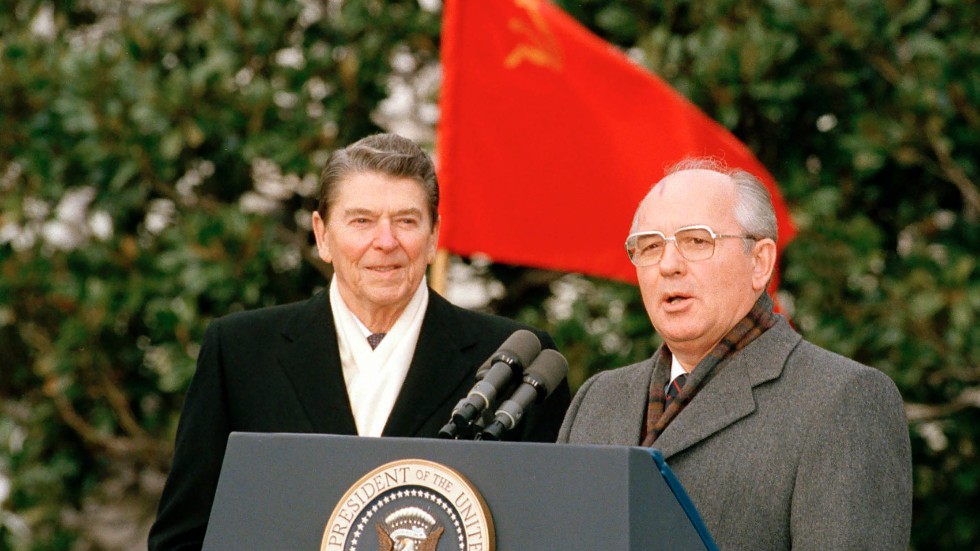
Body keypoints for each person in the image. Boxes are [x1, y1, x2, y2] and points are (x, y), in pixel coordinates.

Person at [149, 133, 571, 550]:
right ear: (322, 235)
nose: (385, 242)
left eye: (406, 221)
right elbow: (182, 539)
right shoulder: (241, 352)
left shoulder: (513, 360)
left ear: (433, 236)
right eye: (361, 221)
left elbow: (553, 535)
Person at [557, 158, 912, 550]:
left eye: (696, 241)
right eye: (650, 246)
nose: (668, 265)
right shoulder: (598, 400)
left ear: (759, 262)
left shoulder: (842, 399)